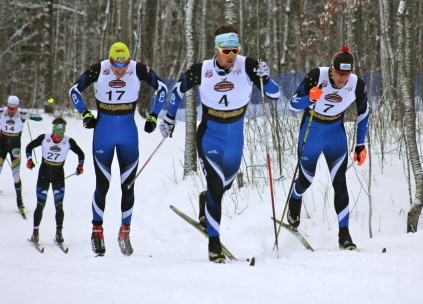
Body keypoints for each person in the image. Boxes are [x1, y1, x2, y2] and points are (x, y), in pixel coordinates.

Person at [157, 24, 280, 263]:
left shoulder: (247, 65)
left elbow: (274, 94)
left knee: (224, 186)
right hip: (210, 135)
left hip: (235, 139)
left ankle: (206, 202)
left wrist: (266, 77)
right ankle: (214, 244)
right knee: (215, 184)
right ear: (216, 49)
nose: (231, 57)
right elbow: (176, 91)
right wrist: (169, 118)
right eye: (226, 51)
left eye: (235, 51)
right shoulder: (201, 70)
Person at [69, 42, 168, 256]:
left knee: (128, 186)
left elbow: (163, 88)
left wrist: (153, 116)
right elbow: (74, 90)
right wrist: (85, 113)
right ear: (110, 60)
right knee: (102, 185)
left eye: (123, 66)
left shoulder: (138, 69)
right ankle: (97, 231)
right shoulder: (99, 68)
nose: (120, 71)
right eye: (116, 66)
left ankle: (125, 232)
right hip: (103, 133)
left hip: (128, 135)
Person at [287, 46, 369, 250]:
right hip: (312, 130)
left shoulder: (356, 84)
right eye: (339, 73)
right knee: (306, 180)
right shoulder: (317, 75)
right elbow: (292, 103)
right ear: (331, 69)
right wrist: (309, 99)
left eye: (346, 74)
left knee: (340, 182)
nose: (342, 78)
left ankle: (345, 235)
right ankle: (295, 199)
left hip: (335, 133)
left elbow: (363, 113)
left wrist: (360, 144)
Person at [26, 117, 85, 245]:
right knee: (40, 205)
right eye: (57, 132)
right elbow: (29, 146)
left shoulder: (68, 141)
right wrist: (29, 159)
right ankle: (35, 232)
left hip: (58, 174)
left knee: (59, 206)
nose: (59, 136)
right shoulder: (44, 138)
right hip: (44, 174)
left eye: (61, 133)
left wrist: (80, 165)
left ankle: (59, 232)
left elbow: (81, 154)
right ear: (53, 130)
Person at [0, 95, 43, 213]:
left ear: (17, 107)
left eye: (14, 108)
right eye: (10, 107)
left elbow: (39, 118)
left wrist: (30, 116)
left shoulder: (21, 113)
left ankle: (19, 200)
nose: (11, 110)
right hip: (2, 144)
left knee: (16, 175)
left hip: (15, 145)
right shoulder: (1, 111)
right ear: (7, 104)